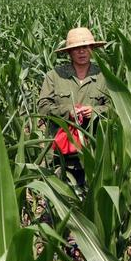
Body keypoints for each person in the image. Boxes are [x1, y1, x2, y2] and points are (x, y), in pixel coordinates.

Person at [38, 27, 108, 187]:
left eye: (85, 47)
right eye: (76, 48)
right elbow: (43, 107)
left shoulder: (103, 75)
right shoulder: (54, 76)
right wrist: (68, 111)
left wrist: (95, 111)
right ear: (69, 52)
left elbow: (116, 108)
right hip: (60, 153)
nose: (82, 52)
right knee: (60, 198)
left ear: (92, 49)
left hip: (93, 151)